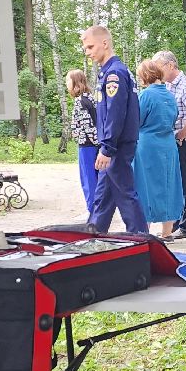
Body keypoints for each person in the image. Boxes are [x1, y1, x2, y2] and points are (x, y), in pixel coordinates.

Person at [79, 26, 147, 234]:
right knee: (103, 198)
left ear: (105, 43)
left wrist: (107, 148)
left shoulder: (114, 74)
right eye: (85, 48)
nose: (87, 52)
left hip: (116, 145)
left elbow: (115, 114)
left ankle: (141, 240)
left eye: (90, 46)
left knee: (125, 195)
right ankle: (93, 236)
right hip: (114, 144)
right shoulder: (109, 72)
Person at [152, 50, 186, 241]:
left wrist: (181, 135)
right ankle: (173, 225)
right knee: (175, 184)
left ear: (171, 66)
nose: (156, 71)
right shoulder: (167, 86)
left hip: (184, 142)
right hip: (172, 142)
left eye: (158, 67)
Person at [132, 59, 184, 239]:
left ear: (146, 75)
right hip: (168, 145)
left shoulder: (146, 95)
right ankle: (166, 232)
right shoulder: (169, 95)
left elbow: (135, 120)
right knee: (169, 185)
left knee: (145, 186)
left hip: (148, 146)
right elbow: (174, 118)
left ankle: (143, 230)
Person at [65, 69, 100, 215]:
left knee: (88, 179)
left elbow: (88, 125)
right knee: (96, 179)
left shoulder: (80, 101)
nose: (66, 83)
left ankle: (93, 212)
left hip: (87, 146)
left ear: (75, 82)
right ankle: (97, 211)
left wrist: (95, 142)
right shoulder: (90, 98)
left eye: (68, 80)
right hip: (94, 145)